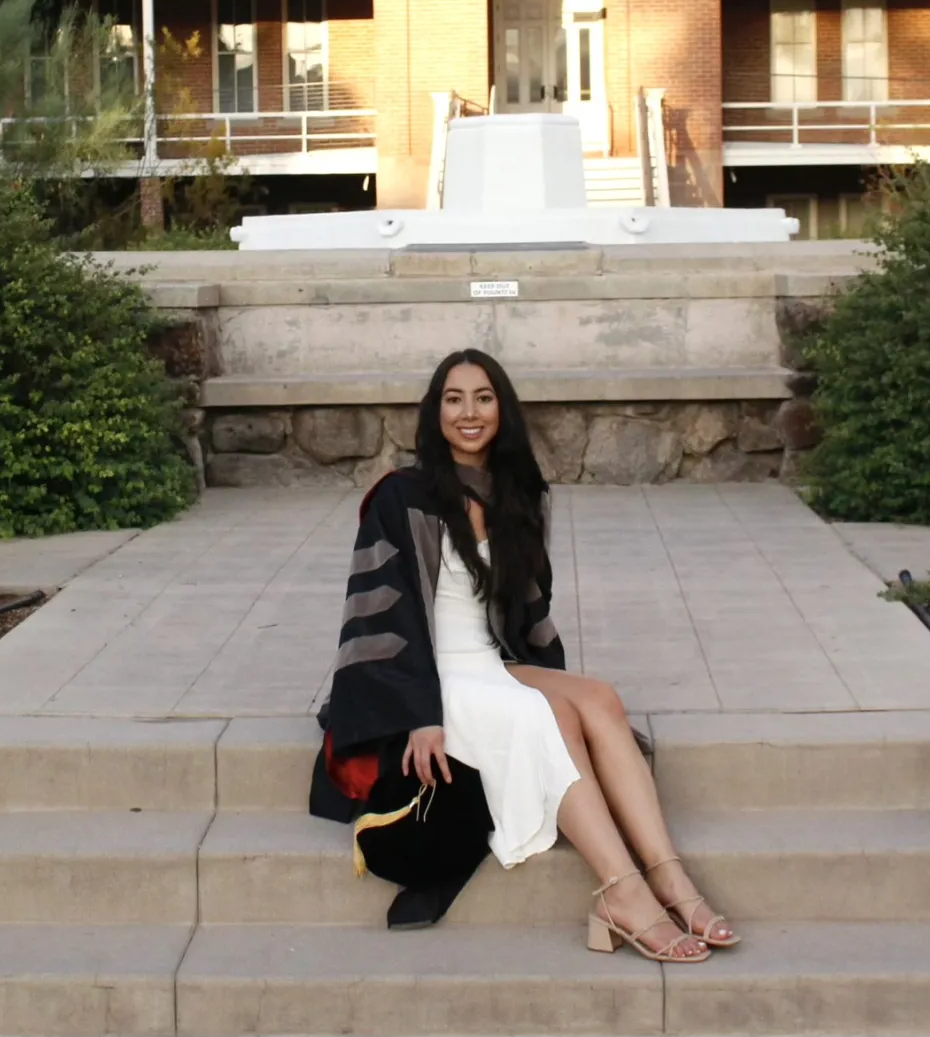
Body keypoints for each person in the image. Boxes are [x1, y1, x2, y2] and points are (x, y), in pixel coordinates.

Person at [311, 348, 740, 962]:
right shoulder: (401, 497)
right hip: (432, 675)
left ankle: (670, 877)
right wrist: (419, 714)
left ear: (502, 409)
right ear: (435, 412)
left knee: (599, 699)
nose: (468, 412)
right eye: (453, 399)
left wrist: (548, 681)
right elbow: (381, 615)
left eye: (483, 397)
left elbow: (528, 615)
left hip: (489, 661)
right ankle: (624, 894)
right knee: (552, 717)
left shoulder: (517, 493)